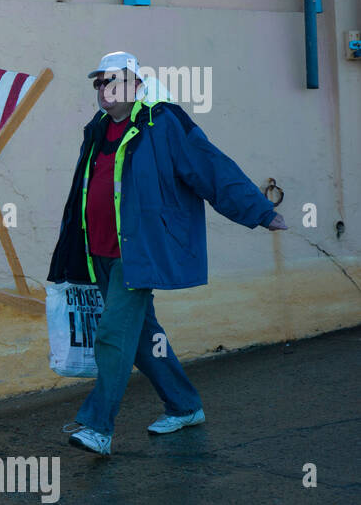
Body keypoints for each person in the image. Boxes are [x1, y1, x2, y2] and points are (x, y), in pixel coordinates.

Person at [47, 52, 287, 456]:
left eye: (115, 80)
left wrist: (260, 212)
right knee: (142, 336)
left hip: (138, 252)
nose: (105, 89)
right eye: (99, 82)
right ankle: (185, 405)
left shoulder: (164, 123)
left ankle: (97, 428)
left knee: (112, 333)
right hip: (99, 250)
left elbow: (210, 167)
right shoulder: (98, 129)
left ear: (137, 86)